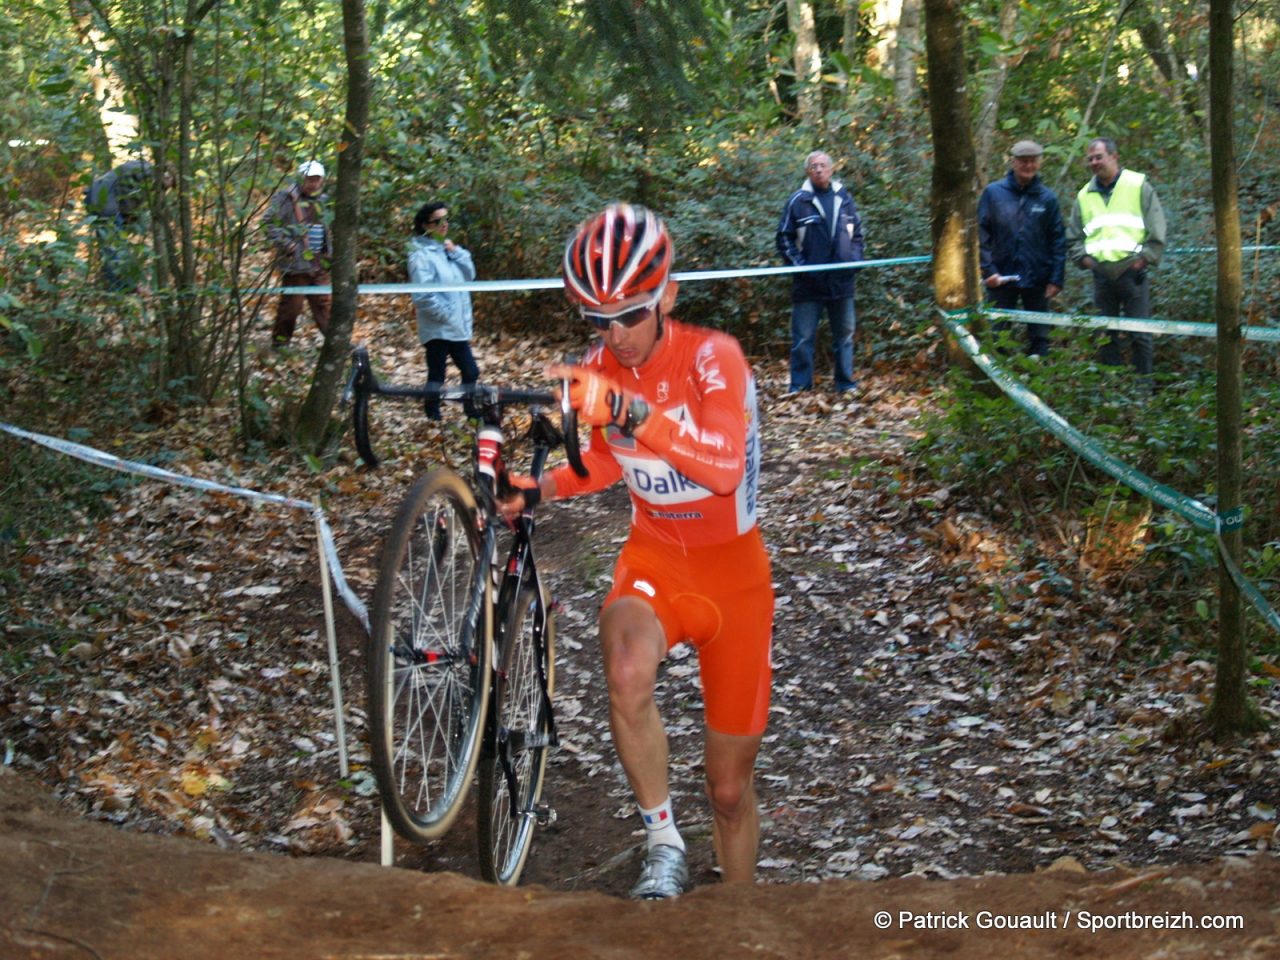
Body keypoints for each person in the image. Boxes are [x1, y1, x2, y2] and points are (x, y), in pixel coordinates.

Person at [499, 204, 773, 900]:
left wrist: (629, 411)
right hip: (656, 556)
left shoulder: (715, 357)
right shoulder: (599, 363)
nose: (614, 335)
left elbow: (721, 467)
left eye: (629, 314)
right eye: (596, 319)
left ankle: (738, 911)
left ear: (668, 297)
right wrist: (540, 490)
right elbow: (606, 461)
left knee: (730, 790)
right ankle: (663, 841)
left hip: (734, 576)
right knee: (624, 666)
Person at [1065, 137, 1167, 377]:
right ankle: (1113, 391)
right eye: (1090, 159)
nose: (1094, 162)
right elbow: (1072, 238)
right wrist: (1088, 262)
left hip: (1133, 273)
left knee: (1140, 334)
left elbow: (1157, 227)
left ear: (1113, 156)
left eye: (1098, 157)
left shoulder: (1138, 185)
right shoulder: (1084, 196)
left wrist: (1144, 260)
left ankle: (1144, 392)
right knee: (1105, 336)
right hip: (1101, 275)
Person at [775, 150, 864, 393]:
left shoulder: (844, 198)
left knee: (845, 336)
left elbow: (857, 235)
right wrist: (801, 269)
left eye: (823, 165)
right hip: (808, 285)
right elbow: (784, 239)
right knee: (803, 338)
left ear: (831, 169)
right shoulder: (798, 201)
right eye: (813, 166)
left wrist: (854, 263)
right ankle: (800, 387)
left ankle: (845, 384)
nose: (818, 169)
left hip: (842, 283)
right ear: (807, 171)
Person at [977, 139, 1066, 357]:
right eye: (1023, 161)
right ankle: (999, 381)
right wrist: (988, 271)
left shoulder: (1047, 198)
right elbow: (981, 234)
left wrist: (1056, 279)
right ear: (1013, 162)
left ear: (1040, 163)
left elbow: (1058, 240)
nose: (1028, 166)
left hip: (1037, 277)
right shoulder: (993, 193)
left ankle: (1039, 380)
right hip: (1001, 277)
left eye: (1033, 161)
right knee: (998, 334)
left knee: (1040, 336)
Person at [408, 202, 478, 420]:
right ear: (425, 225)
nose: (443, 225)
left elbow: (469, 276)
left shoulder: (449, 249)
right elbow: (423, 295)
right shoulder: (420, 255)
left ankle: (470, 409)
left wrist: (456, 252)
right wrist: (446, 314)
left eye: (446, 219)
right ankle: (432, 416)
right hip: (438, 327)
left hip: (456, 326)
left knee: (470, 371)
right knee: (437, 374)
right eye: (437, 221)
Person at [266, 160, 332, 347]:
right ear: (301, 178)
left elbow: (327, 229)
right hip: (295, 264)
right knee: (291, 307)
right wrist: (287, 244)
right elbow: (268, 222)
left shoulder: (324, 200)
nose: (313, 183)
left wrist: (329, 252)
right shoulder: (285, 198)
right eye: (310, 179)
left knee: (324, 305)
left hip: (319, 264)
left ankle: (335, 343)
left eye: (317, 179)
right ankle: (280, 344)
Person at [83, 159, 167, 292]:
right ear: (166, 174)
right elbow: (129, 192)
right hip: (103, 200)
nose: (166, 188)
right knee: (113, 247)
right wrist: (130, 214)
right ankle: (121, 290)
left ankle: (117, 286)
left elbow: (125, 191)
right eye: (169, 183)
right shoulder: (147, 173)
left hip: (97, 194)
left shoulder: (144, 168)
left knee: (110, 247)